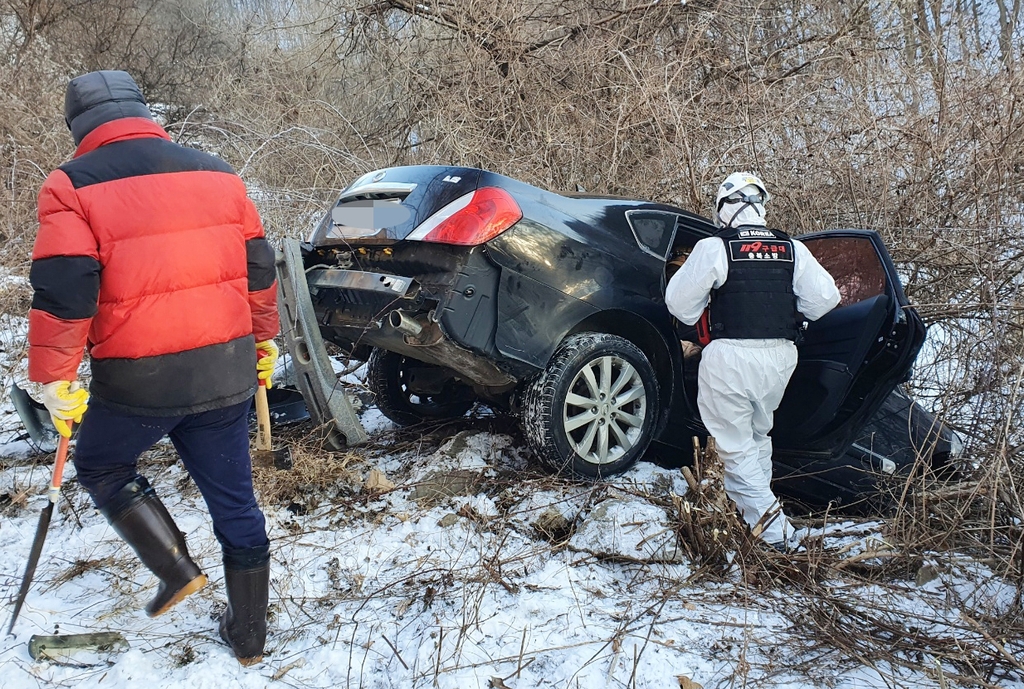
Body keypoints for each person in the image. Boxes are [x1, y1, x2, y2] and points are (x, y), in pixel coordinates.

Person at [27, 70, 279, 665]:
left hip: (142, 379)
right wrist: (264, 340)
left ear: (80, 126)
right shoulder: (218, 172)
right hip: (224, 369)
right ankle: (249, 636)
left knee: (101, 462)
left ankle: (176, 569)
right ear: (142, 111)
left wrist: (56, 376)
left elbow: (65, 287)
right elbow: (259, 268)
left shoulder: (70, 184)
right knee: (236, 501)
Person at [665, 172, 841, 550]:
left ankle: (776, 534)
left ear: (724, 210)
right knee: (758, 437)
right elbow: (825, 299)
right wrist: (793, 310)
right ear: (760, 206)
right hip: (780, 357)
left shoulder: (717, 247)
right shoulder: (791, 248)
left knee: (734, 445)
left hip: (731, 357)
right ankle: (754, 520)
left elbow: (678, 304)